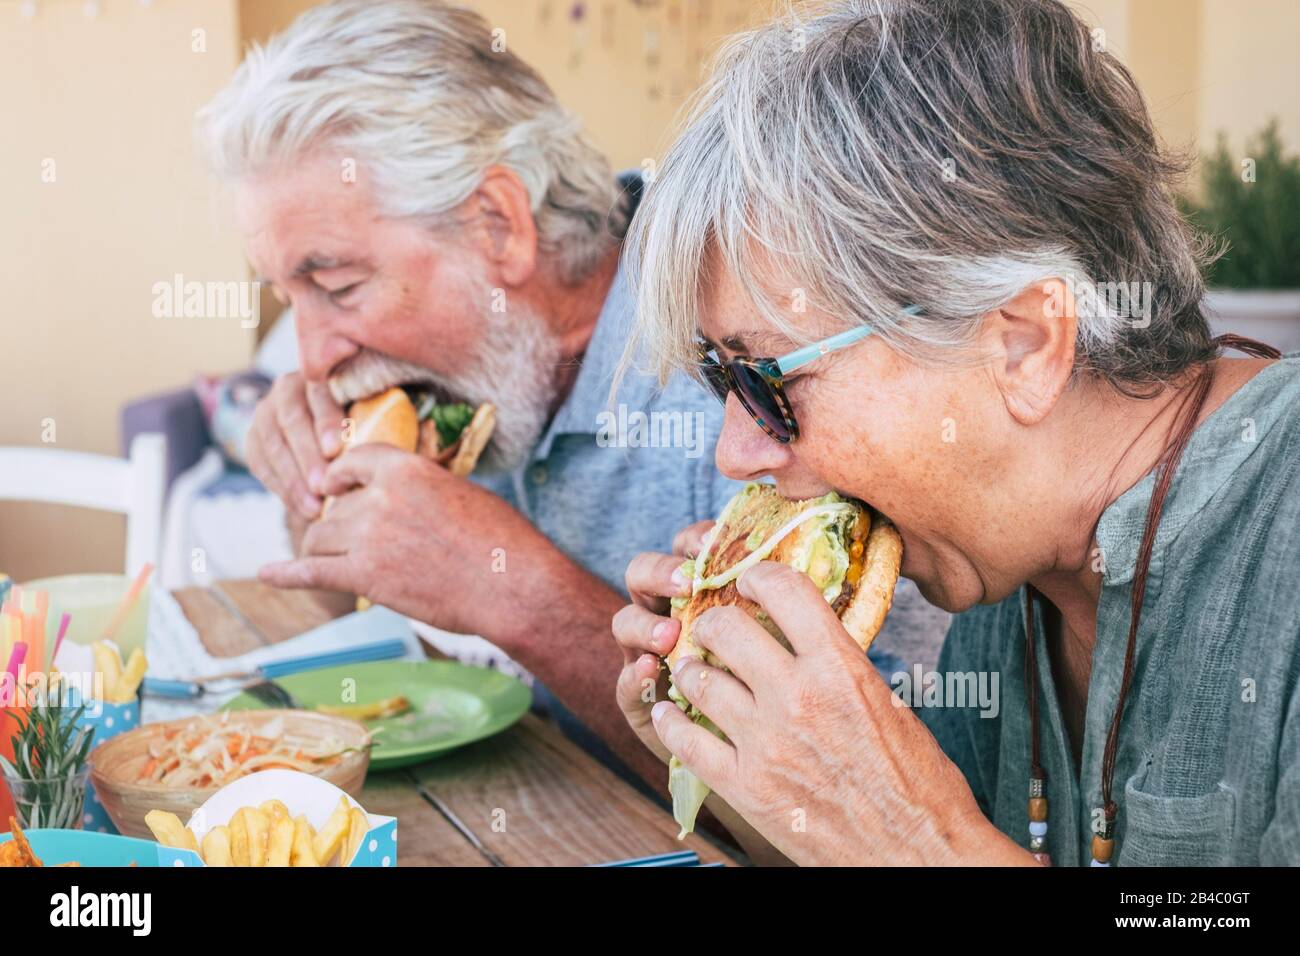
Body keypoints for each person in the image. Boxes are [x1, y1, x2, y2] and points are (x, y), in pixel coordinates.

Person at [196, 0, 950, 788]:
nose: (313, 359)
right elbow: (349, 626)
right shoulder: (475, 371)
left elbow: (850, 794)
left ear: (499, 225)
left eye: (340, 287)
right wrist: (315, 491)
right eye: (291, 298)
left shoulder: (755, 364)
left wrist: (513, 593)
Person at [612, 0, 1300, 864]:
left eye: (768, 378)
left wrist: (912, 836)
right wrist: (731, 755)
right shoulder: (1007, 558)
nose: (733, 450)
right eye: (720, 377)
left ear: (1025, 344)